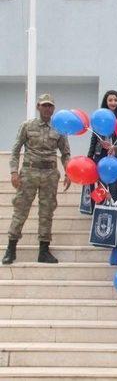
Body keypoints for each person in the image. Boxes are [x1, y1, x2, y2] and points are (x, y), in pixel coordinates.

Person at [4, 94, 71, 265]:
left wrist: (68, 172)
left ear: (53, 109)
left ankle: (44, 249)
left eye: (50, 106)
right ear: (38, 107)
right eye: (44, 105)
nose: (47, 109)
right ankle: (11, 248)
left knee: (47, 212)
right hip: (29, 171)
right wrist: (13, 172)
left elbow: (65, 153)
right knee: (21, 209)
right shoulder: (27, 126)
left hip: (49, 173)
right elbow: (15, 149)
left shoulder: (59, 128)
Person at [87, 90, 117, 200]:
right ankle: (98, 213)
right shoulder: (100, 117)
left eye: (116, 100)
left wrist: (116, 148)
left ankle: (113, 213)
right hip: (100, 156)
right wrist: (90, 157)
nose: (113, 102)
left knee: (113, 187)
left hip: (115, 158)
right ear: (106, 102)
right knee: (101, 187)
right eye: (110, 100)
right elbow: (94, 138)